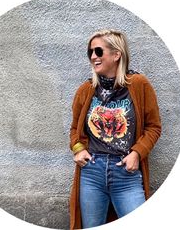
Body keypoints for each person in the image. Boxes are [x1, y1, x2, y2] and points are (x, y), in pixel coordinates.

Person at [69, 29, 161, 229]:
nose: (93, 56)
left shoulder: (139, 84)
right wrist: (78, 149)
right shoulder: (85, 90)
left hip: (126, 173)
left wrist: (137, 153)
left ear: (117, 54)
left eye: (99, 51)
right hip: (92, 172)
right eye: (90, 52)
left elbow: (154, 127)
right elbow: (75, 128)